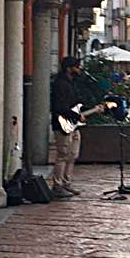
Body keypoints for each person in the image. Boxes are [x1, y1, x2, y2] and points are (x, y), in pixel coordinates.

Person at [49, 56, 85, 198]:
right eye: (77, 66)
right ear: (69, 68)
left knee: (72, 155)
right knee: (62, 155)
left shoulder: (70, 83)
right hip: (63, 124)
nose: (79, 69)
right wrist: (76, 116)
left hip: (73, 125)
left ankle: (66, 182)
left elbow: (74, 104)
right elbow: (59, 107)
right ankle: (57, 185)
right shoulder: (60, 84)